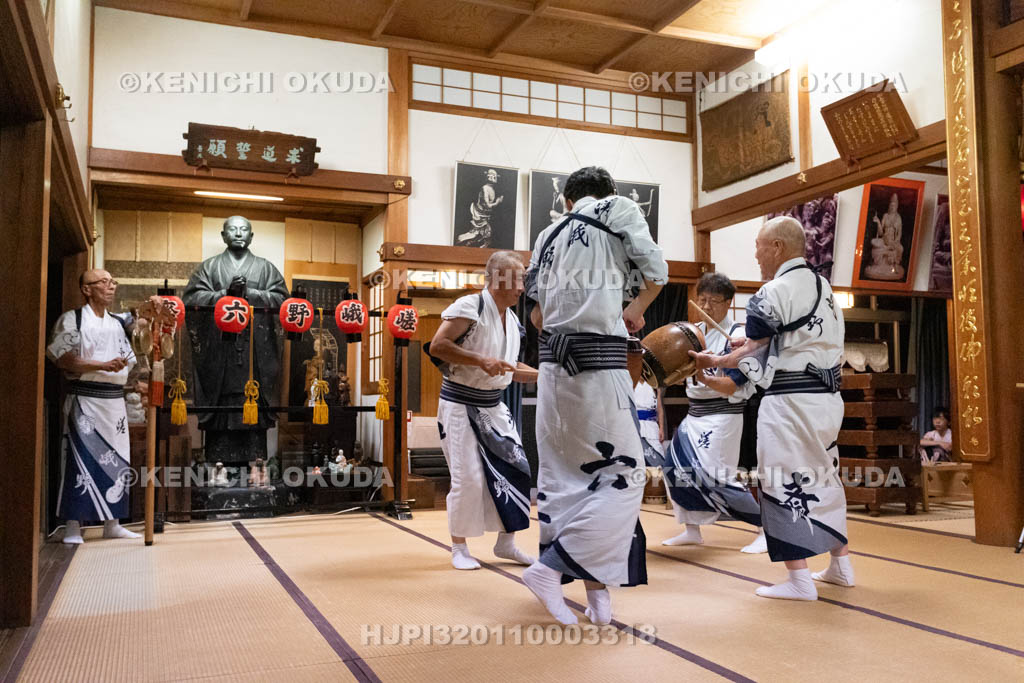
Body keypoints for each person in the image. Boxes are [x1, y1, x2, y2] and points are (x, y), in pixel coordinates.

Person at [524, 166, 667, 625]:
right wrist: (635, 309)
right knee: (622, 478)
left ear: (567, 200)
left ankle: (597, 594)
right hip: (597, 365)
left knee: (568, 482)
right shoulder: (617, 209)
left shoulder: (547, 233)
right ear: (607, 194)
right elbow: (657, 269)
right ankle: (548, 571)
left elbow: (535, 309)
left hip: (552, 371)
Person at [690, 216, 853, 601]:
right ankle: (840, 565)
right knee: (824, 475)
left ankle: (798, 579)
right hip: (826, 400)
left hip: (791, 403)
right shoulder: (823, 286)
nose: (756, 253)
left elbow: (756, 349)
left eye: (760, 245)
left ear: (777, 247)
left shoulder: (773, 291)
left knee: (781, 479)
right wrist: (741, 352)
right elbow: (778, 343)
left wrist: (722, 359)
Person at [428, 251, 538, 571]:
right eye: (519, 280)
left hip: (494, 405)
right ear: (499, 277)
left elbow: (510, 367)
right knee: (469, 479)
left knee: (516, 469)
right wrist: (480, 361)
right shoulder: (469, 306)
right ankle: (459, 547)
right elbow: (438, 346)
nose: (522, 288)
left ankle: (507, 543)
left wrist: (547, 376)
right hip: (460, 403)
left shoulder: (513, 319)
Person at [47, 269, 172, 543]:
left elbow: (140, 319)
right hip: (86, 399)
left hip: (114, 401)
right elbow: (62, 357)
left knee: (117, 460)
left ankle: (112, 523)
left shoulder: (117, 322)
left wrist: (154, 304)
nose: (110, 287)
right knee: (81, 459)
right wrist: (101, 365)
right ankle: (72, 525)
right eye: (103, 282)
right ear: (86, 289)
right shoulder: (74, 319)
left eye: (112, 282)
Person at [661, 272, 766, 554]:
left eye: (714, 301)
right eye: (702, 300)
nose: (706, 307)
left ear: (729, 302)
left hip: (723, 414)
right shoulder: (690, 332)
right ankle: (692, 530)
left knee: (717, 476)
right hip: (694, 413)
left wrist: (703, 376)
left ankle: (764, 528)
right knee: (674, 467)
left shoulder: (738, 337)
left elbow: (733, 385)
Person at [183, 216, 288, 464]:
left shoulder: (265, 268)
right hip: (220, 350)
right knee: (222, 402)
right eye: (233, 229)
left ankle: (256, 462)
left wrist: (249, 294)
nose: (238, 233)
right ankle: (218, 461)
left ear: (251, 236)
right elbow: (191, 300)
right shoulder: (208, 268)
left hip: (255, 349)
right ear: (223, 235)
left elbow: (284, 303)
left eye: (244, 230)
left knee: (252, 398)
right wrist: (223, 295)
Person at [458, 168, 504, 247]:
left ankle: (475, 246)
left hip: (486, 216)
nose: (495, 178)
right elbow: (488, 205)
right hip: (480, 216)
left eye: (495, 177)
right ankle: (463, 242)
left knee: (486, 236)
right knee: (480, 234)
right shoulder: (485, 188)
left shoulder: (491, 188)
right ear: (490, 177)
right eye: (494, 177)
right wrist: (497, 202)